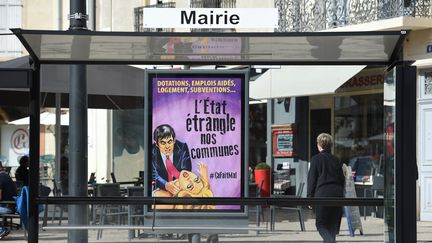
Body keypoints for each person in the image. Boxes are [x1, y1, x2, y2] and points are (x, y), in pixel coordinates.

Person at [307, 133, 345, 243]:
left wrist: (310, 198)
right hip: (337, 195)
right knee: (332, 227)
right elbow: (342, 179)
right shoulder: (336, 160)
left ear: (319, 145)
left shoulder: (315, 159)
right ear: (331, 145)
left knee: (320, 224)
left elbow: (311, 181)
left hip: (322, 195)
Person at [152, 124, 192, 195]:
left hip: (180, 187)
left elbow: (186, 170)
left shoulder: (182, 147)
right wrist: (166, 185)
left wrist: (177, 185)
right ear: (157, 144)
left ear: (174, 140)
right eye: (163, 143)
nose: (167, 146)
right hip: (161, 189)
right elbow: (153, 175)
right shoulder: (151, 151)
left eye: (170, 142)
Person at [0, 160, 18, 240]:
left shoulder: (1, 177)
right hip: (10, 206)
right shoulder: (5, 176)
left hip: (7, 207)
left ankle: (1, 229)